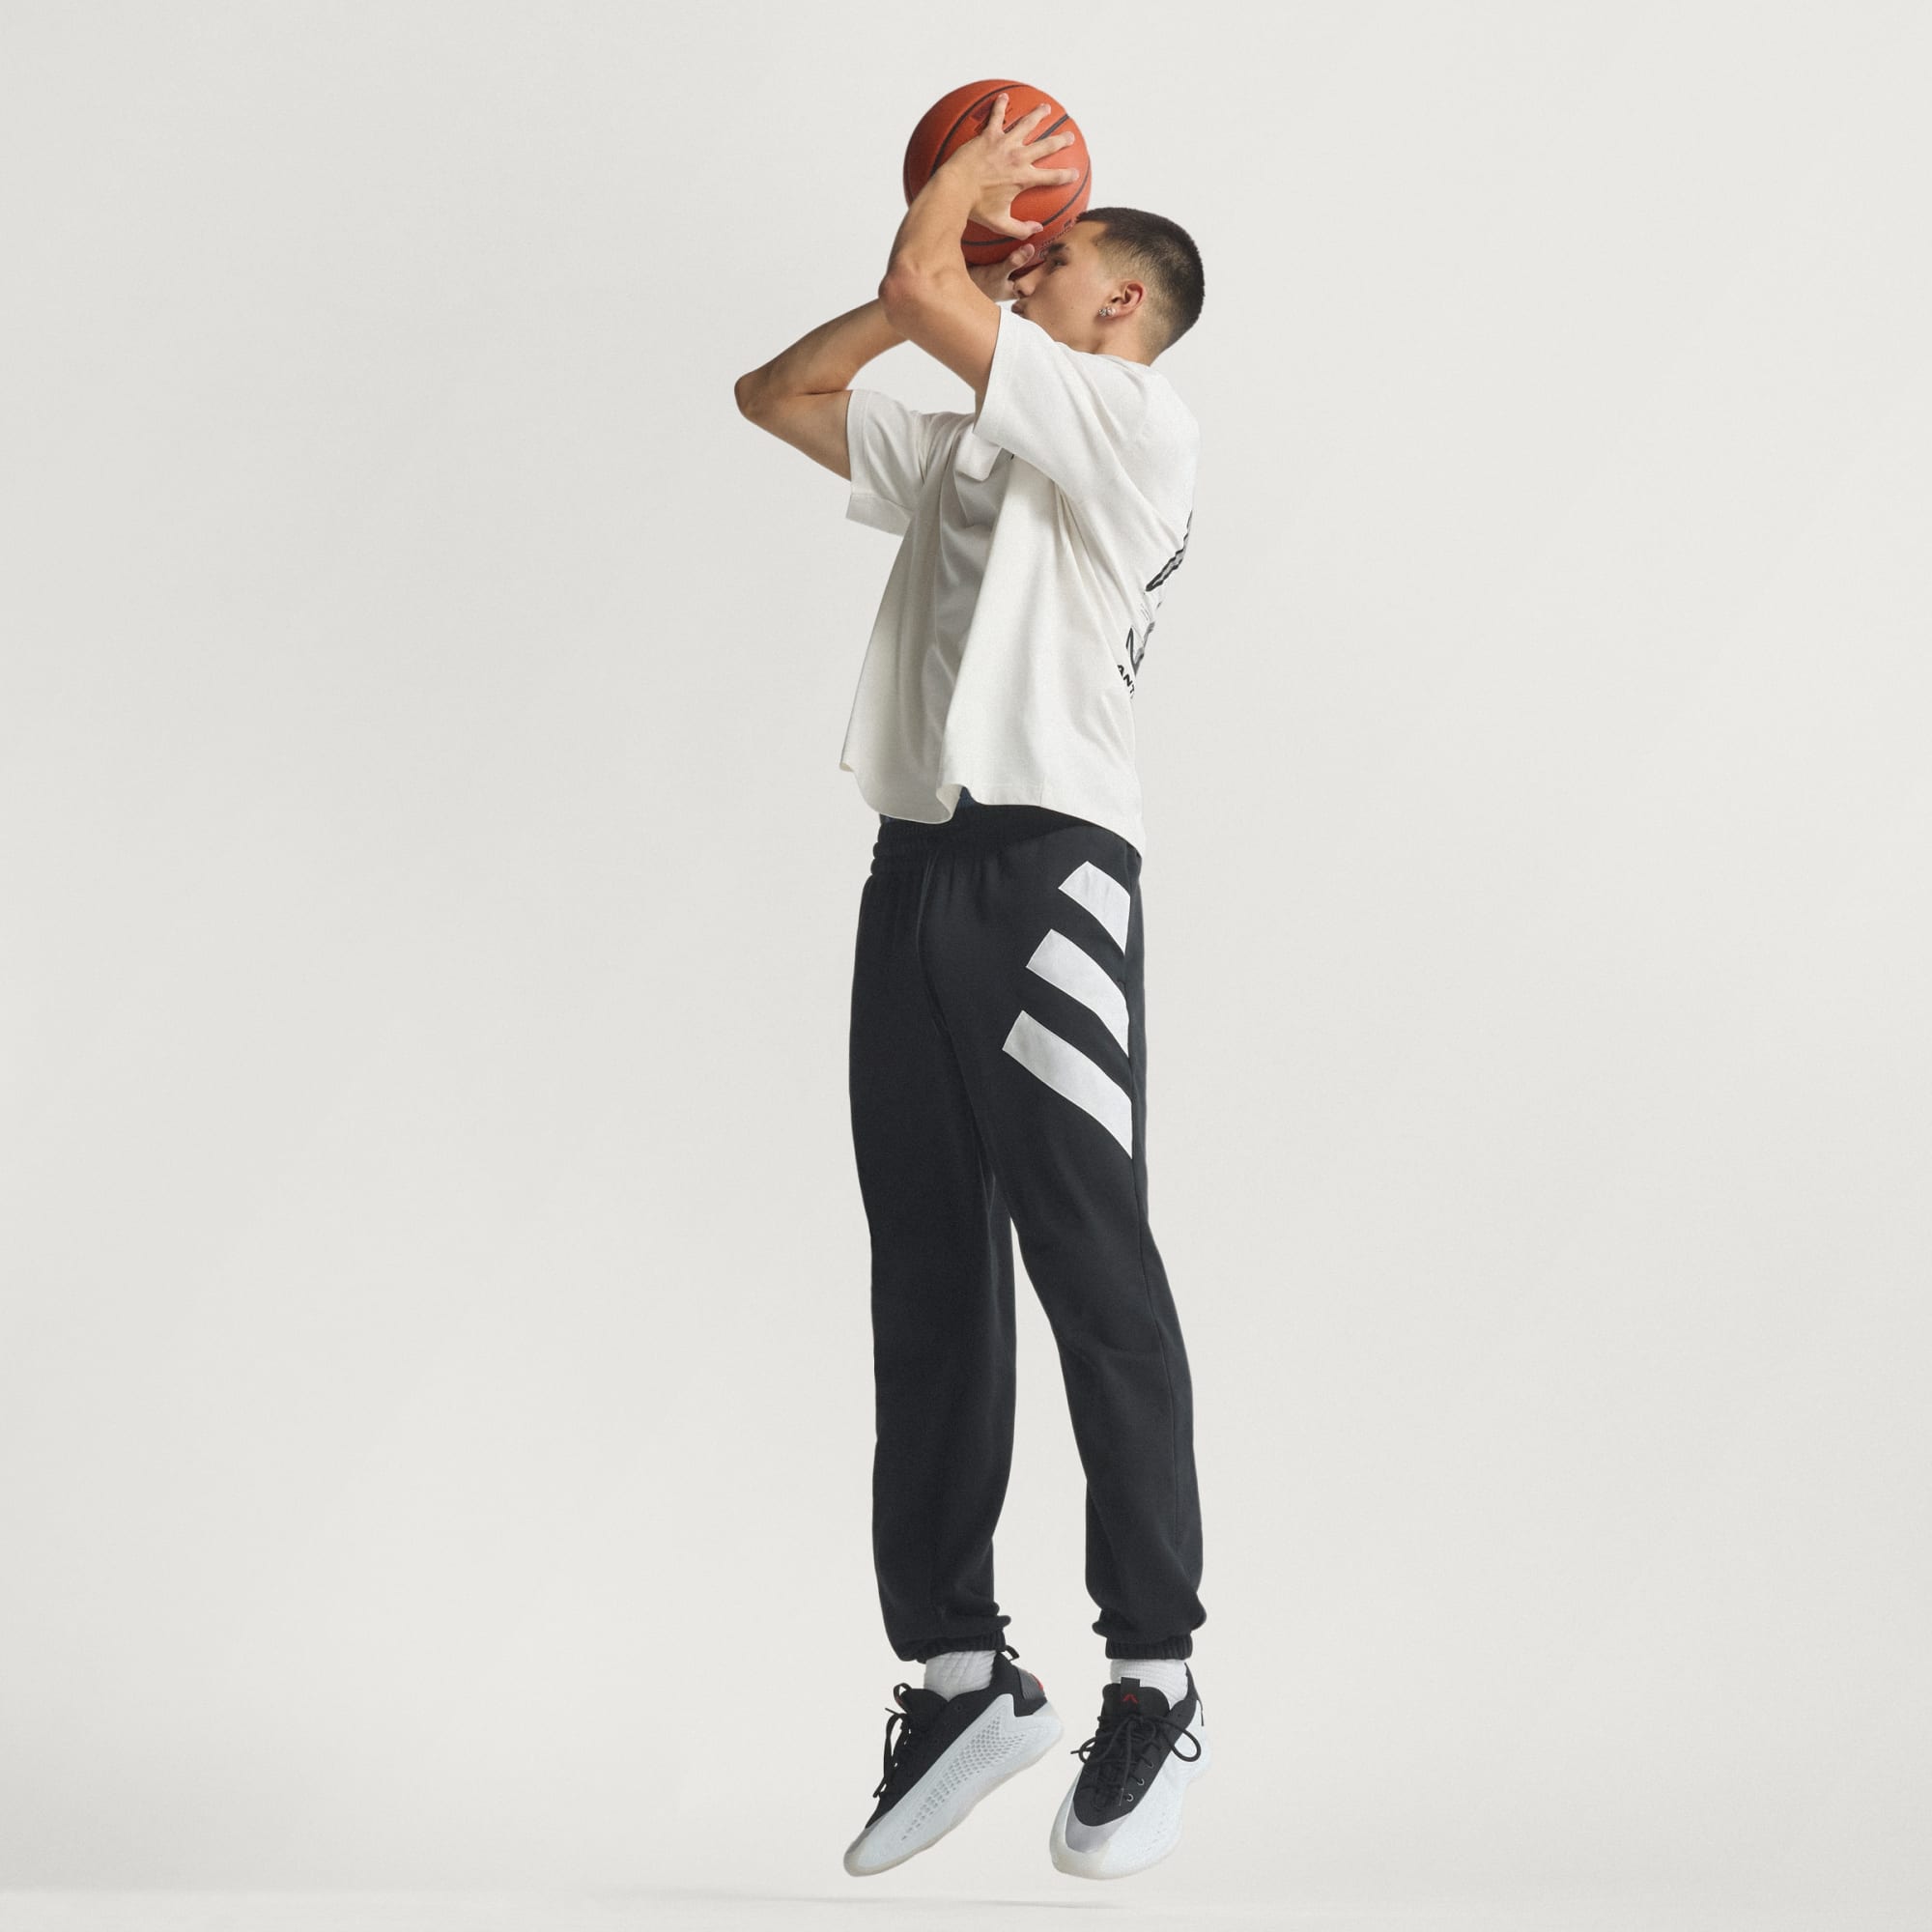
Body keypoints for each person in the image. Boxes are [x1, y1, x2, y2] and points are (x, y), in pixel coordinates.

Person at [735, 94, 1209, 1881]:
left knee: (1094, 1265)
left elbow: (933, 284)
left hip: (1050, 872)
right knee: (928, 1272)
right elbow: (776, 394)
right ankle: (958, 1676)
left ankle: (1153, 1674)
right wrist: (923, 282)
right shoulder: (982, 446)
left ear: (1120, 303)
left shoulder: (1133, 423)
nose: (1023, 257)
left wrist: (961, 191)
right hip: (919, 865)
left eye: (1057, 249)